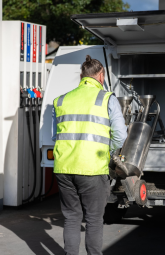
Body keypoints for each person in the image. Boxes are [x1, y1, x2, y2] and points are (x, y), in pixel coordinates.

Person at [51, 55, 127, 255]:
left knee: (71, 217)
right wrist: (110, 152)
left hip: (64, 168)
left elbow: (54, 135)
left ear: (82, 75)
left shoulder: (61, 100)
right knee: (94, 219)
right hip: (92, 168)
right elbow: (120, 134)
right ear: (101, 76)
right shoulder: (107, 98)